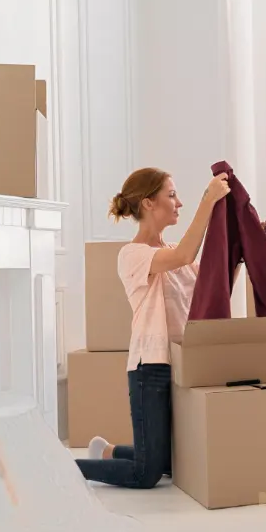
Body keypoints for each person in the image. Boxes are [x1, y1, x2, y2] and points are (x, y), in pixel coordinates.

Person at [75, 167, 230, 489]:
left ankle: (107, 451)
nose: (179, 203)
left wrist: (243, 248)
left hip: (182, 365)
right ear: (148, 204)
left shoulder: (172, 253)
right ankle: (68, 470)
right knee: (147, 474)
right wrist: (208, 200)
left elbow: (214, 287)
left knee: (177, 461)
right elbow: (186, 253)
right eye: (171, 195)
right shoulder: (133, 255)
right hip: (151, 367)